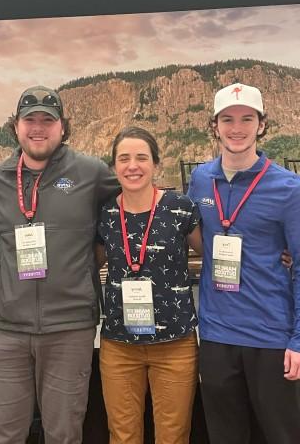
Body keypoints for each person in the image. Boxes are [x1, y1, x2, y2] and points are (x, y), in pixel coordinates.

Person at [0, 85, 118, 444]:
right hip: (7, 329)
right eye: (30, 120)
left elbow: (135, 203)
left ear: (62, 127)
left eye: (47, 120)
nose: (38, 128)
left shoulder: (92, 172)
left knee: (63, 434)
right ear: (16, 127)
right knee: (3, 436)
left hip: (69, 328)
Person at [187, 82, 300, 444]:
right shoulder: (201, 179)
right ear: (214, 126)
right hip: (217, 333)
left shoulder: (289, 188)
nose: (237, 128)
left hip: (271, 335)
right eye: (228, 119)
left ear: (261, 124)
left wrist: (298, 339)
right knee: (225, 436)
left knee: (281, 434)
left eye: (246, 119)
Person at [96, 127, 202, 444]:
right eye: (124, 158)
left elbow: (212, 256)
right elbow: (88, 263)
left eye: (141, 157)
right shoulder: (105, 214)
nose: (133, 166)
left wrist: (279, 256)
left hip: (175, 343)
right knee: (123, 435)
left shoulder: (180, 208)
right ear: (114, 166)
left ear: (155, 163)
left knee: (173, 436)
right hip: (119, 345)